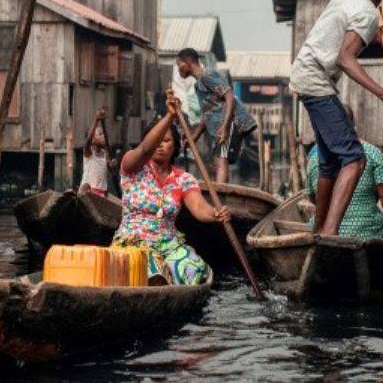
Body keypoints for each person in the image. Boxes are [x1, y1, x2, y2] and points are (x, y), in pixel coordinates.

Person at [290, 0, 383, 237]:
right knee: (355, 158)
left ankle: (317, 231)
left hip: (305, 72)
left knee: (330, 162)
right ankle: (330, 233)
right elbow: (346, 57)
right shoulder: (367, 15)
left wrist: (379, 27)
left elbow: (350, 23)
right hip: (317, 79)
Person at [111, 92, 229, 285]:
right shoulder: (133, 166)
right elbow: (145, 150)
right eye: (156, 141)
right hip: (133, 242)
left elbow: (199, 208)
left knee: (196, 269)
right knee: (149, 273)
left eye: (166, 141)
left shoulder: (183, 179)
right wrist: (170, 116)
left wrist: (216, 213)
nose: (159, 146)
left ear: (175, 147)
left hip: (169, 245)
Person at [306, 107, 383, 249]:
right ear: (352, 125)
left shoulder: (315, 157)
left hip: (321, 232)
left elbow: (313, 198)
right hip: (367, 230)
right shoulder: (371, 152)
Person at [175, 48, 257, 183]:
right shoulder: (199, 84)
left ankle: (220, 197)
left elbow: (229, 96)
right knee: (218, 161)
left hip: (230, 123)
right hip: (219, 127)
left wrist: (225, 127)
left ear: (188, 62)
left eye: (179, 64)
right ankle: (220, 195)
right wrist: (194, 136)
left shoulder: (208, 75)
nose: (178, 69)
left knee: (220, 161)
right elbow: (207, 114)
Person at [78, 107, 115, 196]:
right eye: (100, 134)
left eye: (103, 134)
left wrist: (112, 166)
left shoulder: (105, 153)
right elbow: (88, 141)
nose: (103, 137)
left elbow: (111, 171)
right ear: (93, 139)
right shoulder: (89, 152)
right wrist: (96, 119)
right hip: (88, 192)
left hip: (101, 192)